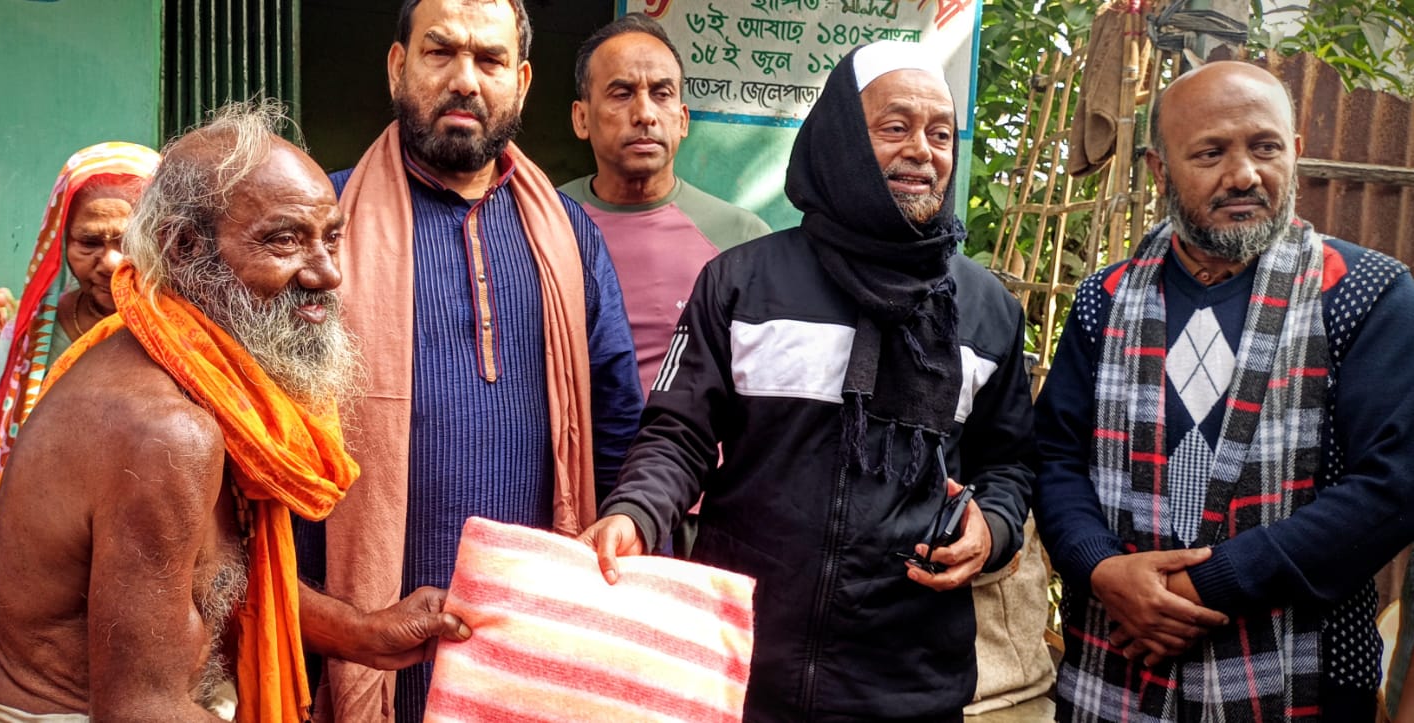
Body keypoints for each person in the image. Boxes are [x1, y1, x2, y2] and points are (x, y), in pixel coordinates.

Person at [579, 42, 1036, 721]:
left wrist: (992, 525)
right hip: (741, 665)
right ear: (843, 139)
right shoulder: (743, 283)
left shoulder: (984, 310)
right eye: (895, 127)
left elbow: (1010, 462)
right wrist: (635, 512)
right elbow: (678, 432)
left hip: (910, 679)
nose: (922, 150)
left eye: (940, 134)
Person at [0, 102, 469, 723]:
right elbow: (140, 710)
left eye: (331, 237)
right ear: (182, 248)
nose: (327, 273)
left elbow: (204, 579)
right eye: (284, 239)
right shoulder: (165, 431)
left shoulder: (191, 369)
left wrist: (364, 631)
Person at [1035, 60, 1414, 720]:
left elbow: (1392, 486)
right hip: (1114, 666)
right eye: (1210, 153)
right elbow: (1052, 456)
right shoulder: (1106, 297)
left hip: (1309, 680)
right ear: (1159, 171)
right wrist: (1101, 568)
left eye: (1265, 148)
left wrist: (1202, 585)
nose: (1243, 175)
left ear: (1295, 151)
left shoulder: (1364, 293)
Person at [310, 1, 644, 720]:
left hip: (528, 641)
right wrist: (337, 625)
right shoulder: (322, 223)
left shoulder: (569, 235)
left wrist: (627, 525)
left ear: (520, 82)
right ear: (397, 67)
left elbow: (619, 422)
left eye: (489, 60)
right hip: (361, 640)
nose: (465, 79)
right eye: (441, 53)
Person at [0, 141, 160, 698]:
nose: (110, 262)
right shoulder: (29, 338)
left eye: (129, 241)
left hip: (148, 580)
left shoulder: (184, 336)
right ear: (61, 242)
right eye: (89, 242)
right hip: (39, 586)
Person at [558, 13, 770, 392]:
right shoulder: (540, 222)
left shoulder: (743, 238)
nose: (644, 114)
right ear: (581, 118)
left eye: (662, 94)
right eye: (621, 93)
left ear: (683, 120)